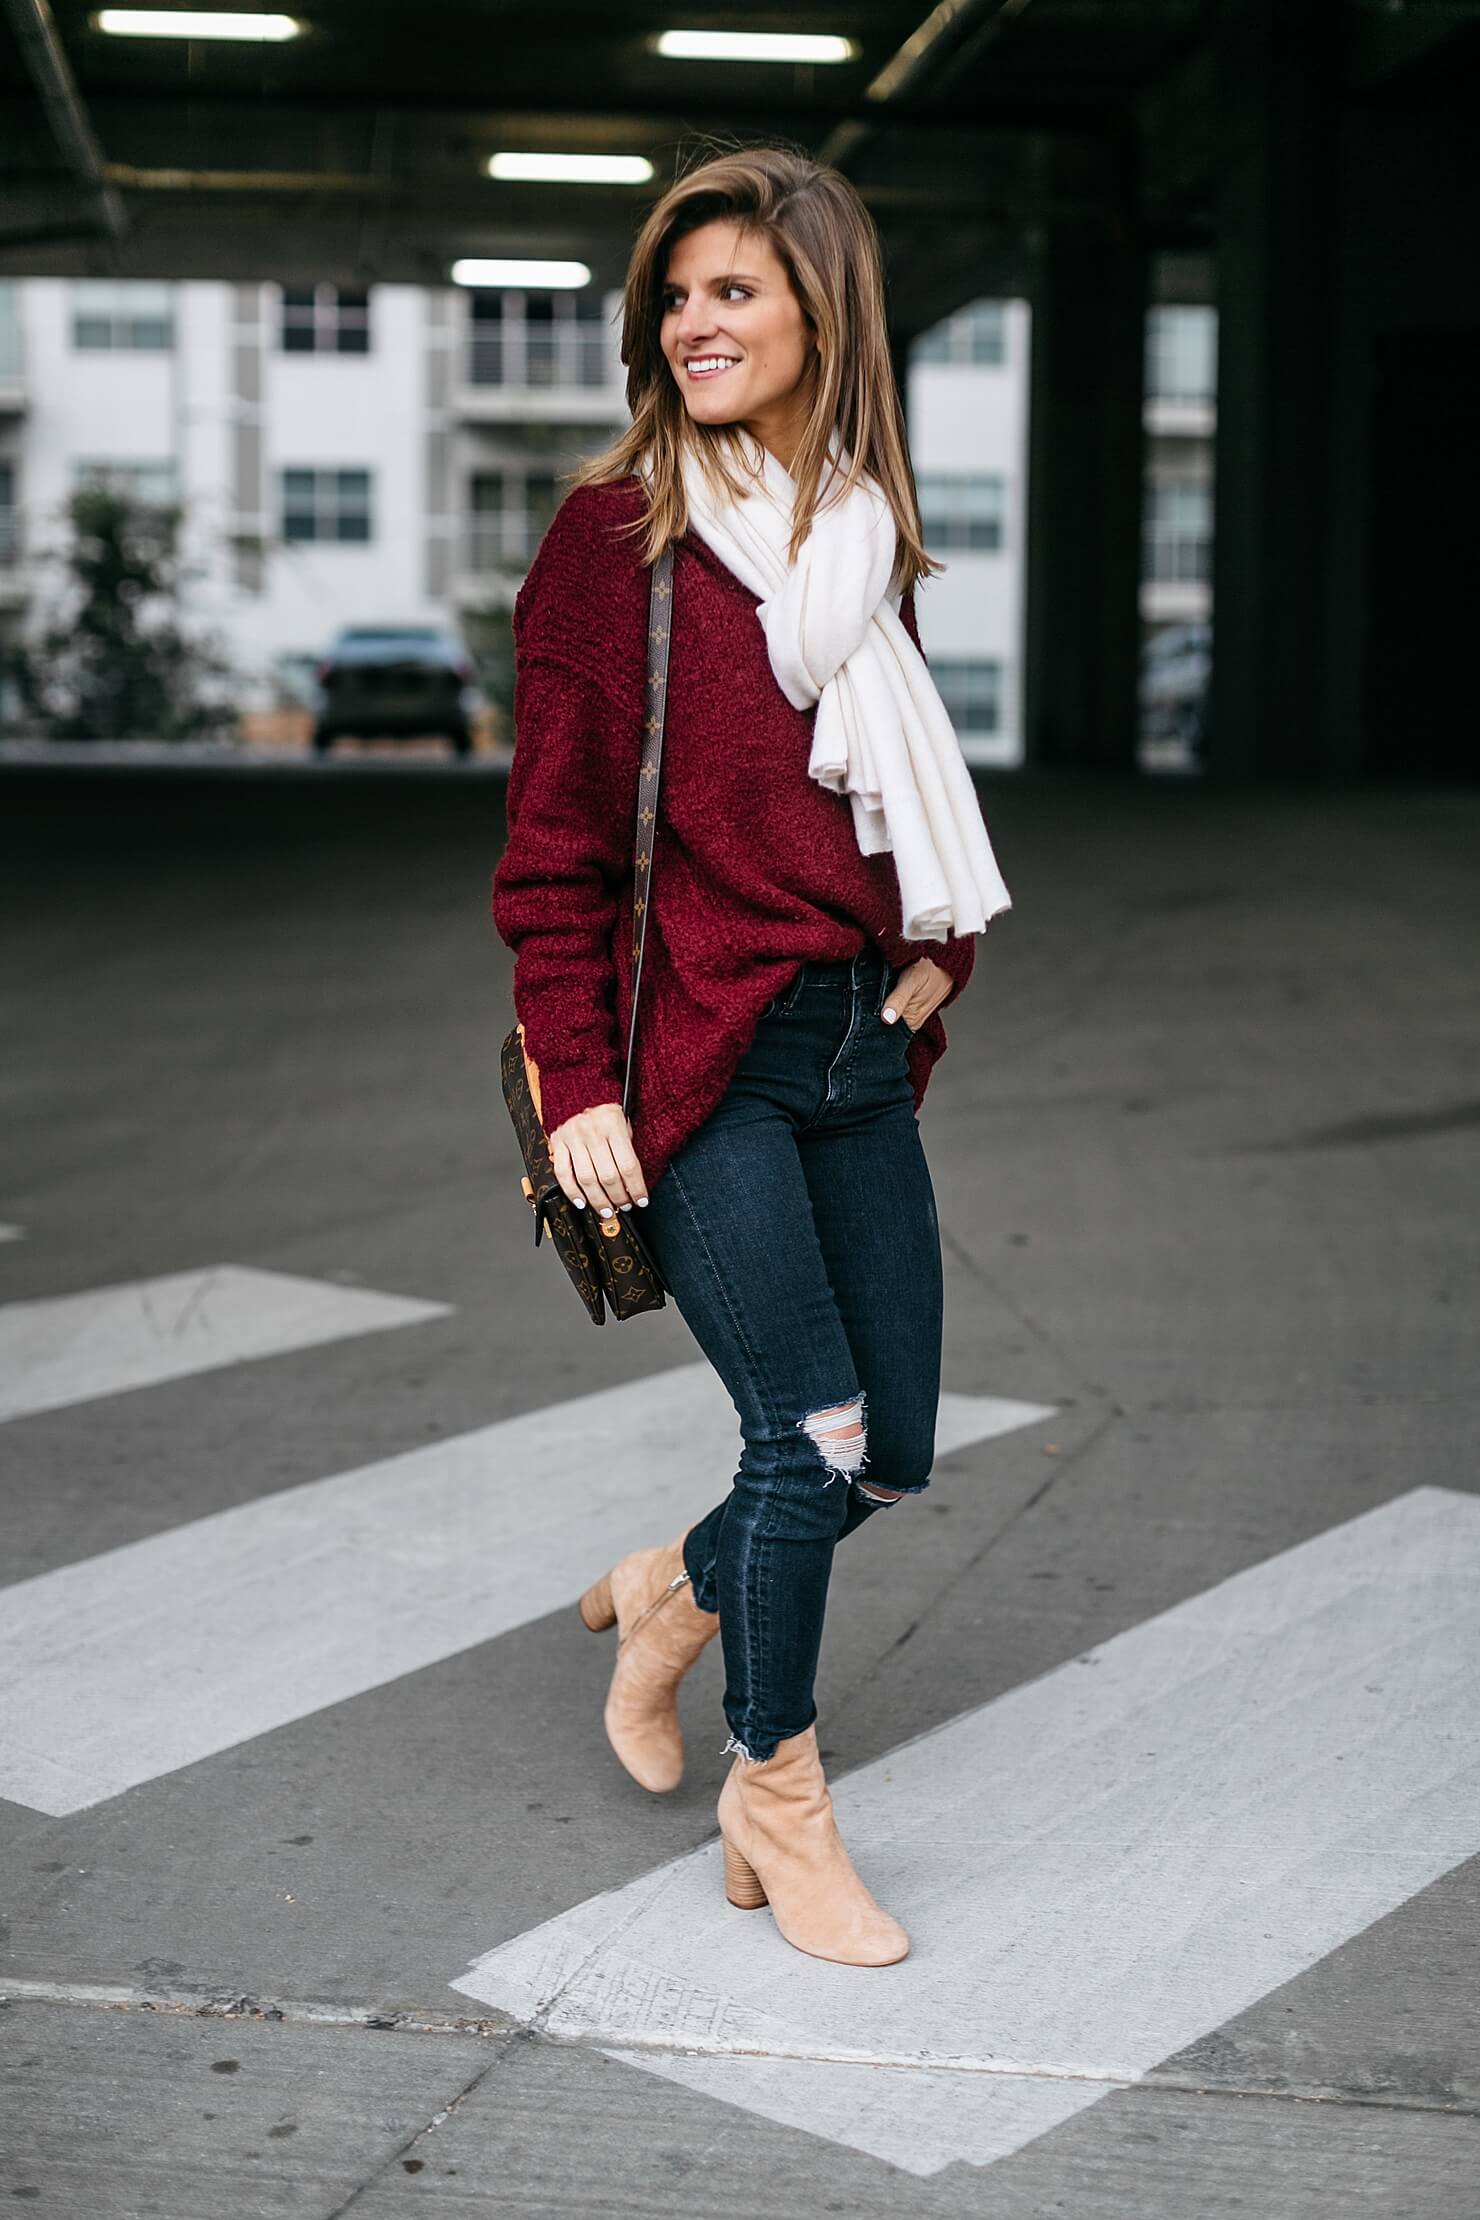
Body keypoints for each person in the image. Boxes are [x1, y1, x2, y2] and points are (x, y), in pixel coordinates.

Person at [491, 147, 1012, 1967]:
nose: (693, 320)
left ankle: (674, 1588)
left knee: (895, 1456)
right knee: (811, 1431)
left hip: (851, 1047)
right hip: (688, 1054)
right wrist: (580, 1083)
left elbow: (896, 797)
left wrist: (935, 955)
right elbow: (552, 858)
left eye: (734, 290)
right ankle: (776, 1797)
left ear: (818, 316)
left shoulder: (862, 540)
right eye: (678, 291)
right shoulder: (611, 543)